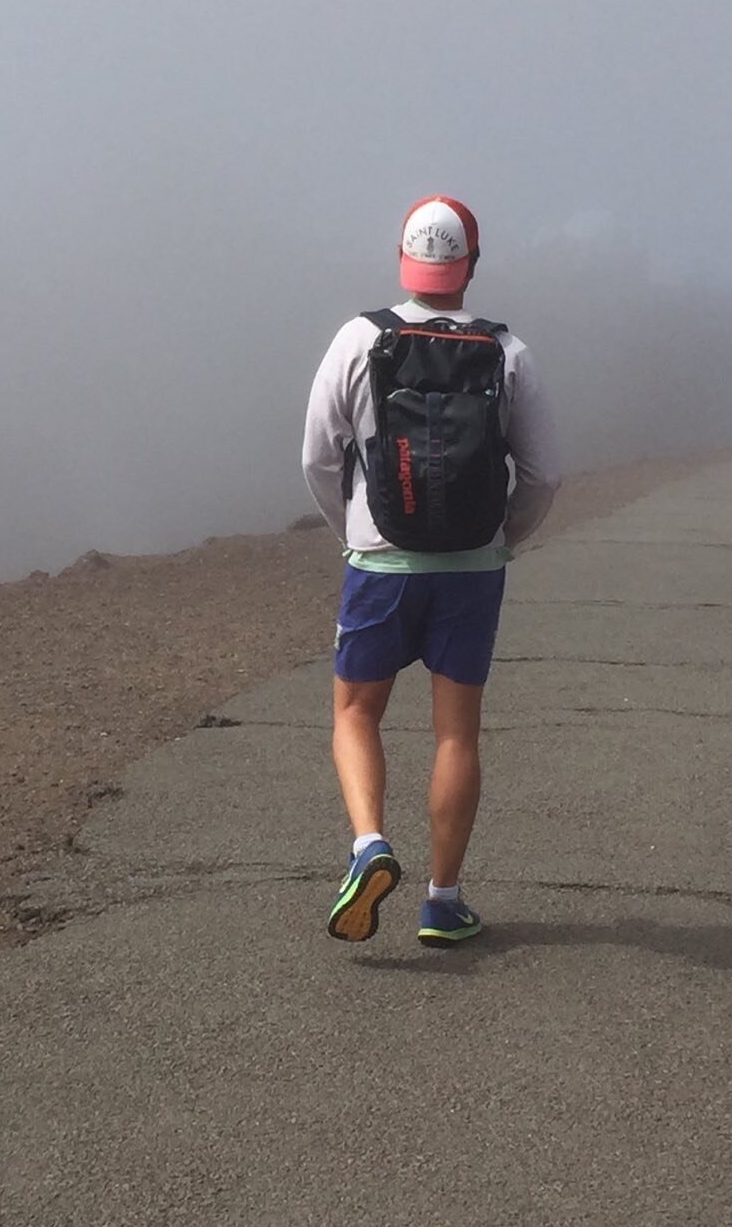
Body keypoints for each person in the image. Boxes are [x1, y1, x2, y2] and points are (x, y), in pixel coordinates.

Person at [302, 195, 561, 946]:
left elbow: (319, 458)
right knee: (457, 735)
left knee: (356, 713)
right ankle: (443, 902)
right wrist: (500, 537)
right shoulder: (508, 352)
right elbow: (544, 474)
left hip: (380, 560)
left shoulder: (358, 339)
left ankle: (369, 845)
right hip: (471, 568)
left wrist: (353, 531)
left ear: (404, 259)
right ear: (471, 263)